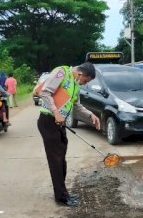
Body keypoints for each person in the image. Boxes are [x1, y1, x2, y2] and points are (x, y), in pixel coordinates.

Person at [37, 62, 101, 207]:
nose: (84, 84)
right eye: (86, 81)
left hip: (59, 123)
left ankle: (63, 193)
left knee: (61, 160)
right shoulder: (62, 73)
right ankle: (61, 197)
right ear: (80, 74)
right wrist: (56, 112)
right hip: (48, 121)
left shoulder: (75, 85)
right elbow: (45, 92)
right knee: (56, 161)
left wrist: (91, 114)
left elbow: (77, 106)